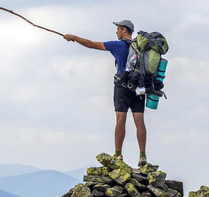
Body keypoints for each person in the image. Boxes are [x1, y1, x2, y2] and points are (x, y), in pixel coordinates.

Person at [62, 20, 148, 166]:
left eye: (118, 29)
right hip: (139, 87)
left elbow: (90, 44)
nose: (116, 32)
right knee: (139, 121)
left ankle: (118, 155)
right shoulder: (140, 47)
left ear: (124, 30)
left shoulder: (118, 45)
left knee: (120, 119)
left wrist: (74, 37)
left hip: (122, 86)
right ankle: (142, 156)